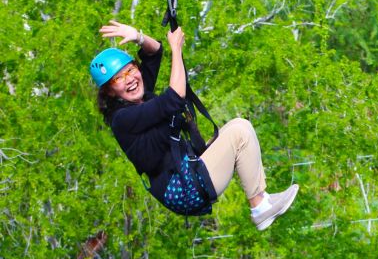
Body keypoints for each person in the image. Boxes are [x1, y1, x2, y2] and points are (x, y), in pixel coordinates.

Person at [90, 20, 298, 230]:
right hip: (182, 189)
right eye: (118, 79)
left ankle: (263, 199)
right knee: (240, 131)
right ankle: (259, 207)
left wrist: (138, 36)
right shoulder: (123, 118)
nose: (129, 79)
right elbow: (174, 98)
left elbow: (154, 53)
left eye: (130, 70)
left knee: (237, 127)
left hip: (186, 170)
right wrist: (177, 49)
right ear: (109, 92)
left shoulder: (139, 97)